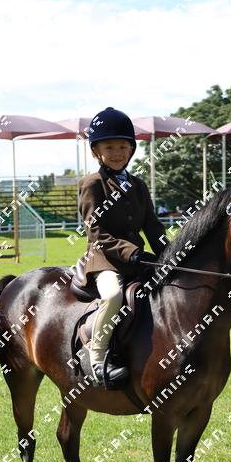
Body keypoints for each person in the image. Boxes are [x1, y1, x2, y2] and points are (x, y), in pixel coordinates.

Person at [73, 107, 166, 388]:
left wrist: (170, 253)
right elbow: (96, 232)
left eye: (123, 147)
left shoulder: (138, 185)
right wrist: (130, 252)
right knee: (113, 296)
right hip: (104, 260)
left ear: (132, 149)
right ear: (96, 151)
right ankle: (96, 357)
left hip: (137, 259)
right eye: (109, 147)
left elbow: (152, 226)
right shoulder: (92, 184)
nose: (117, 153)